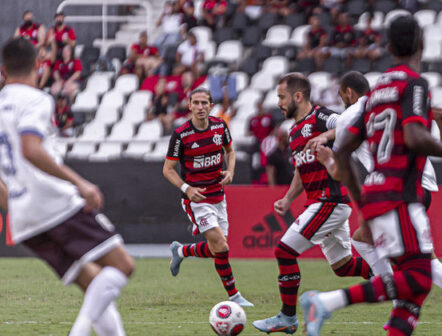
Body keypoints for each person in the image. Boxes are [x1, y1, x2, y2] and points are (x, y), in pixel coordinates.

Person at [299, 16, 442, 336]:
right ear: (422, 45)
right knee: (418, 278)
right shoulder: (413, 84)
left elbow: (344, 152)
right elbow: (415, 137)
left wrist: (362, 199)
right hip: (400, 191)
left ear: (386, 47)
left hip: (378, 194)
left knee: (413, 291)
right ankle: (326, 302)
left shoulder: (378, 91)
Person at [311, 70, 442, 336]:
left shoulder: (352, 115)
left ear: (348, 92)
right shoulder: (387, 102)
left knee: (423, 269)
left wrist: (327, 157)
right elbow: (440, 114)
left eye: (342, 96)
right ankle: (401, 306)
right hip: (419, 182)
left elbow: (339, 166)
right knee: (367, 241)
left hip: (397, 189)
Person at [0, 37, 135, 336]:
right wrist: (81, 183)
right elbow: (30, 148)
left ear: (3, 70)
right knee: (122, 266)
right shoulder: (36, 100)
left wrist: (13, 205)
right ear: (38, 65)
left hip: (23, 217)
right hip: (54, 202)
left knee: (93, 285)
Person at [252, 73, 372, 334]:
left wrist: (325, 136)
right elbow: (300, 170)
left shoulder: (319, 116)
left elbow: (348, 124)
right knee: (344, 267)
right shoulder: (293, 131)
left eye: (282, 97)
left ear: (298, 96)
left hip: (330, 201)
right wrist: (287, 198)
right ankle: (395, 276)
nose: (279, 103)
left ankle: (287, 317)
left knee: (284, 251)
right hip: (319, 202)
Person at [163, 87, 253, 307]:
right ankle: (234, 296)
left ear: (211, 106)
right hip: (197, 199)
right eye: (196, 103)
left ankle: (182, 251)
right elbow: (167, 169)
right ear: (190, 105)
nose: (200, 107)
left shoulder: (220, 126)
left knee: (217, 249)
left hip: (218, 196)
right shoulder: (181, 135)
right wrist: (187, 189)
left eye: (205, 103)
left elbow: (230, 152)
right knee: (221, 247)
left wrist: (230, 171)